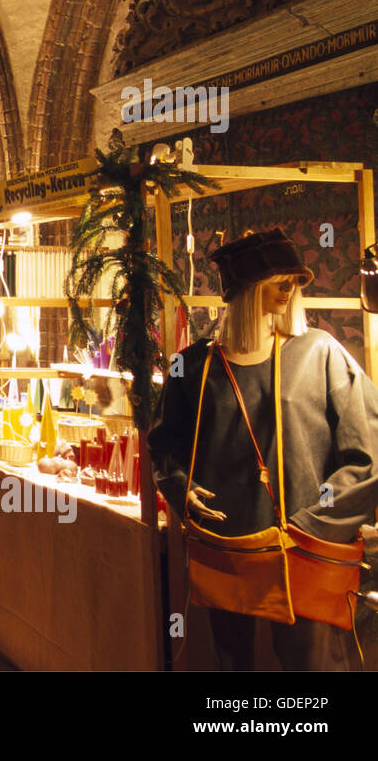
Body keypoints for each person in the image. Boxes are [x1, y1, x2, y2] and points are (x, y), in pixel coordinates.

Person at [148, 228, 378, 670]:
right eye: (277, 276)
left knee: (311, 664)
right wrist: (180, 487)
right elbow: (165, 442)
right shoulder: (194, 365)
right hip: (226, 546)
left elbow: (365, 455)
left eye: (294, 277)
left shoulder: (320, 354)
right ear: (244, 290)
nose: (289, 286)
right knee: (230, 662)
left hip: (303, 548)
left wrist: (316, 519)